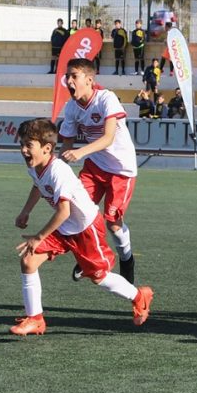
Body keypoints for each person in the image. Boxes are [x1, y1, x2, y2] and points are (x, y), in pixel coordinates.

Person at [9, 118, 153, 335]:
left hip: (86, 228)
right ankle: (35, 319)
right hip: (65, 228)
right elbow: (37, 186)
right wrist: (25, 210)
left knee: (98, 277)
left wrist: (38, 237)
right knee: (29, 261)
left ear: (47, 148)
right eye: (22, 144)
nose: (23, 150)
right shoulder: (35, 166)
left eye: (29, 145)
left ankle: (139, 296)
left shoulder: (59, 171)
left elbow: (64, 211)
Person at [58, 58, 139, 284]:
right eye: (67, 76)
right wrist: (55, 171)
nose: (69, 80)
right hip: (95, 166)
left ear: (89, 80)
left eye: (74, 76)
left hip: (121, 169)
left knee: (112, 223)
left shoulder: (106, 98)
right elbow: (66, 144)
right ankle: (93, 258)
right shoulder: (72, 107)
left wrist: (81, 152)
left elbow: (108, 137)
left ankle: (127, 258)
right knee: (78, 211)